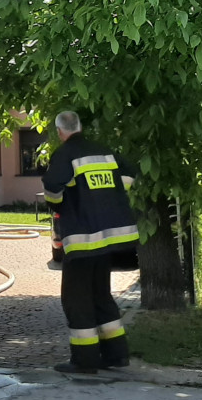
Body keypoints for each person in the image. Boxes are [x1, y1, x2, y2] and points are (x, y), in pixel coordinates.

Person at [42, 111, 139, 375]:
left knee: (76, 299)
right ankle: (116, 354)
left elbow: (52, 185)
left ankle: (85, 359)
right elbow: (130, 171)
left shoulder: (65, 154)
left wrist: (59, 203)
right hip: (108, 237)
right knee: (100, 294)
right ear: (79, 126)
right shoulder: (102, 150)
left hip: (83, 238)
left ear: (60, 131)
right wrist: (109, 196)